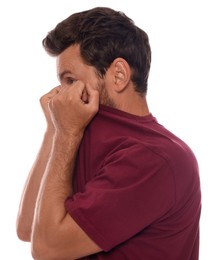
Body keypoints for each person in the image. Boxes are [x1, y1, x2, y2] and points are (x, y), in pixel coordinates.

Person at [16, 7, 201, 260]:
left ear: (119, 75)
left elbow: (48, 249)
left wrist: (65, 134)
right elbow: (28, 228)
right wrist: (54, 130)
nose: (59, 97)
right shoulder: (76, 135)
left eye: (70, 80)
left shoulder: (156, 157)